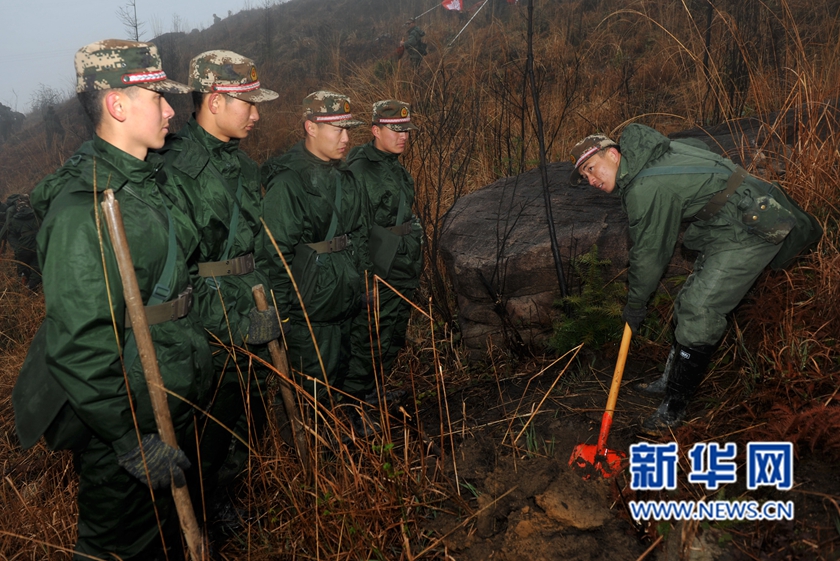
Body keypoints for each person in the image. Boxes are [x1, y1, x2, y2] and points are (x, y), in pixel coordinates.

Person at [12, 39, 213, 560]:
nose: (171, 109)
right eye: (156, 98)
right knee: (120, 546)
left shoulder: (145, 183)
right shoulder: (85, 210)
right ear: (117, 106)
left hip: (167, 390)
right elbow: (81, 344)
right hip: (127, 418)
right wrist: (129, 440)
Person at [569, 124, 822, 435]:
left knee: (700, 310)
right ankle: (672, 377)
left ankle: (674, 408)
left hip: (749, 223)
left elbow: (650, 254)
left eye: (592, 168)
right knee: (688, 300)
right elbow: (697, 148)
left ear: (613, 153)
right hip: (725, 218)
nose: (591, 180)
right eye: (585, 176)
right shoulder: (652, 152)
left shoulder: (645, 188)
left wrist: (635, 303)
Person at [157, 50, 279, 501]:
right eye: (247, 102)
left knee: (248, 416)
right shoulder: (174, 169)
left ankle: (237, 494)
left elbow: (257, 246)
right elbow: (171, 270)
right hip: (210, 323)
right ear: (213, 101)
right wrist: (219, 321)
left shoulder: (244, 164)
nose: (257, 114)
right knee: (209, 428)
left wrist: (266, 301)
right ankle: (209, 510)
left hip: (249, 305)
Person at [257, 90, 370, 410]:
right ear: (311, 128)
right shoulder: (289, 182)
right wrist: (286, 317)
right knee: (312, 396)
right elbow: (276, 255)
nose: (346, 138)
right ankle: (311, 455)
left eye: (348, 129)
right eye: (338, 129)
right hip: (310, 314)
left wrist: (363, 284)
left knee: (346, 381)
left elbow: (359, 235)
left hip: (346, 302)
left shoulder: (345, 177)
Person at [346, 100, 423, 405]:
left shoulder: (396, 167)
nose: (403, 135)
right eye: (395, 129)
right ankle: (355, 404)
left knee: (391, 335)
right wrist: (366, 279)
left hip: (402, 266)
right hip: (380, 269)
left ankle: (374, 394)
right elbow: (356, 230)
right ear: (375, 130)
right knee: (369, 340)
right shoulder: (360, 169)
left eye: (406, 130)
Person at [0, 194, 41, 289]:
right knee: (36, 265)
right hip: (36, 246)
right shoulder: (36, 216)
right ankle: (32, 284)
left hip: (22, 248)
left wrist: (17, 247)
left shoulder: (14, 219)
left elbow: (11, 232)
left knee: (21, 264)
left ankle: (23, 276)